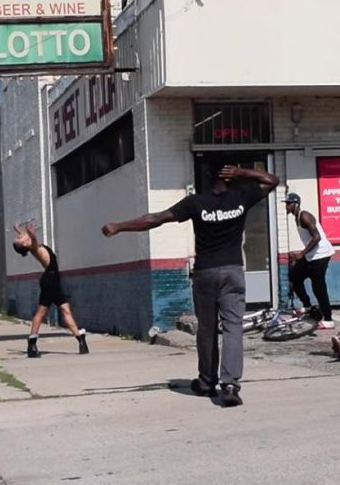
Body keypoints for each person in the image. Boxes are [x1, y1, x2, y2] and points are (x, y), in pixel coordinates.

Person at [101, 162, 279, 407]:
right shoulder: (241, 196)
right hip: (232, 272)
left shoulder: (195, 203)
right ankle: (229, 385)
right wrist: (243, 172)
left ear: (205, 178)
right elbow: (272, 180)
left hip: (205, 273)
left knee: (206, 330)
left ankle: (207, 382)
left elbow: (156, 219)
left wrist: (119, 226)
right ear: (228, 179)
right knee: (232, 328)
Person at [12, 222, 89, 357]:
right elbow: (33, 241)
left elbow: (26, 237)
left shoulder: (29, 244)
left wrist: (17, 229)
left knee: (65, 309)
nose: (22, 236)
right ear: (25, 244)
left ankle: (80, 339)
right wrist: (31, 234)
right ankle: (32, 344)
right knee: (41, 313)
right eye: (20, 238)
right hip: (49, 282)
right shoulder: (34, 248)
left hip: (54, 280)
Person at [284, 192, 335, 329]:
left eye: (289, 204)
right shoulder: (296, 218)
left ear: (296, 204)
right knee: (294, 276)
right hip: (311, 255)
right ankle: (307, 306)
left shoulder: (304, 216)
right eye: (286, 204)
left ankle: (328, 319)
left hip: (321, 254)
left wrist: (302, 253)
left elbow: (317, 237)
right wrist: (302, 253)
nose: (287, 206)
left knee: (318, 287)